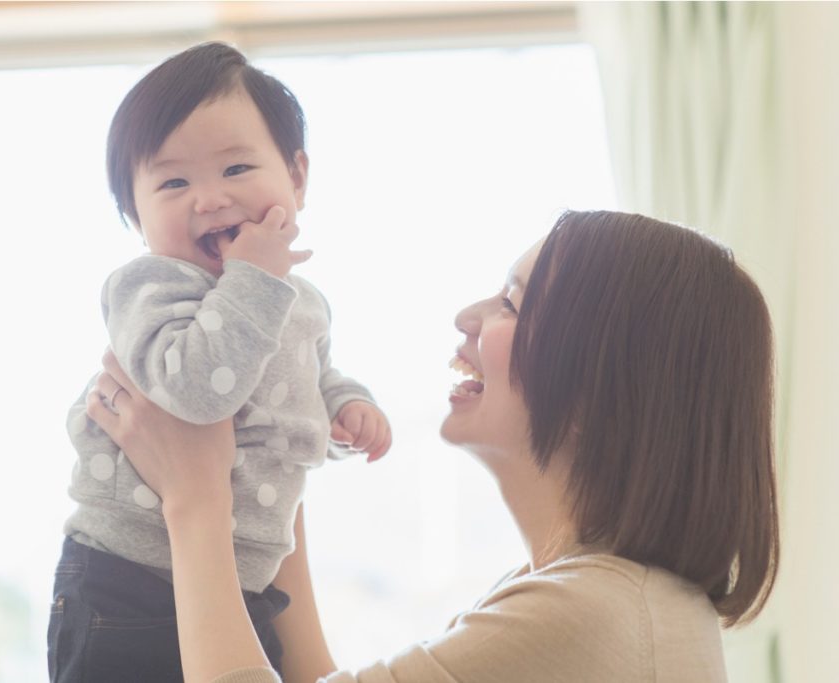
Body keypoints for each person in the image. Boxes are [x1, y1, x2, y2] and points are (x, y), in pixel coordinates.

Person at [86, 209, 780, 682]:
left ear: (607, 378)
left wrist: (196, 504)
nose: (467, 318)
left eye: (511, 303)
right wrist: (272, 468)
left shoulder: (590, 613)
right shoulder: (602, 597)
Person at [48, 42, 391, 682]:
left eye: (236, 169)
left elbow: (313, 376)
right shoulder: (148, 287)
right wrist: (254, 279)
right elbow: (201, 393)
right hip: (129, 580)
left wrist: (349, 405)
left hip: (247, 581)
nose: (208, 199)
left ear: (297, 177)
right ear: (134, 215)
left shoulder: (298, 299)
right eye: (173, 182)